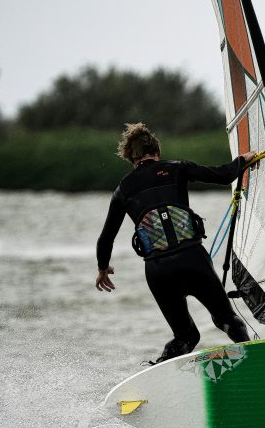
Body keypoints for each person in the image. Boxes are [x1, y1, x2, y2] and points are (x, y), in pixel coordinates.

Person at [95, 123, 254, 364]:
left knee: (186, 335)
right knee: (226, 319)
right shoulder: (177, 168)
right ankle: (256, 361)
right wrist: (242, 160)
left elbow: (106, 238)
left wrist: (102, 268)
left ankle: (159, 372)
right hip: (193, 259)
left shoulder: (123, 189)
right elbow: (223, 175)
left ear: (131, 157)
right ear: (156, 151)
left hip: (159, 271)